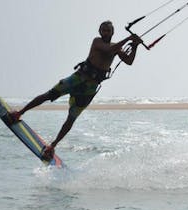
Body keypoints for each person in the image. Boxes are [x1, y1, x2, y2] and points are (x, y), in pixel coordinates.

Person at [8, 21, 142, 161]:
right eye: (103, 30)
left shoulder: (116, 48)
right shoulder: (97, 42)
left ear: (112, 32)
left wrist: (135, 45)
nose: (105, 32)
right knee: (49, 95)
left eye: (108, 30)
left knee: (71, 118)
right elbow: (108, 50)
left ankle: (52, 146)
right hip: (77, 79)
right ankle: (19, 113)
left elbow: (129, 61)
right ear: (99, 31)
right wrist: (129, 39)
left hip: (90, 88)